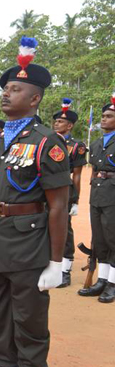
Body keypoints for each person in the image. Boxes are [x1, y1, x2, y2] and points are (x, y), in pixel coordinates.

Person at [0, 38, 70, 367]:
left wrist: (55, 260)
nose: (6, 93)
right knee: (1, 319)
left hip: (28, 246)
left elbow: (58, 204)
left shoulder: (47, 141)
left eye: (15, 89)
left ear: (34, 99)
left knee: (28, 323)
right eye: (5, 88)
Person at [80, 94, 115, 302]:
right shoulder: (95, 144)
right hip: (97, 196)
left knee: (113, 238)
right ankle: (101, 280)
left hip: (113, 194)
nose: (103, 119)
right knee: (100, 238)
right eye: (103, 115)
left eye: (109, 116)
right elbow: (94, 170)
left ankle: (112, 282)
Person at [51, 99, 87, 288]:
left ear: (70, 125)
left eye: (61, 121)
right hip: (47, 189)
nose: (56, 123)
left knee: (64, 229)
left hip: (65, 189)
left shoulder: (76, 145)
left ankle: (65, 269)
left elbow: (78, 175)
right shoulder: (47, 140)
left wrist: (75, 200)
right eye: (55, 121)